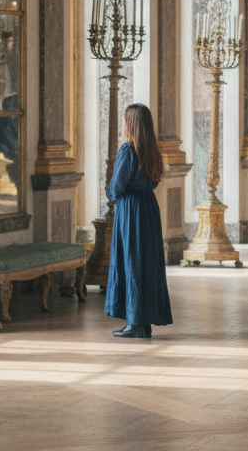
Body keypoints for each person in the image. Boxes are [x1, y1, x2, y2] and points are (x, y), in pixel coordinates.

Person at [104, 103, 172, 338]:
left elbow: (116, 187)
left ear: (131, 124)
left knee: (131, 262)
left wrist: (108, 190)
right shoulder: (152, 150)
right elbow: (153, 182)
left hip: (130, 210)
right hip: (148, 209)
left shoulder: (128, 150)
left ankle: (134, 322)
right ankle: (143, 322)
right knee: (145, 263)